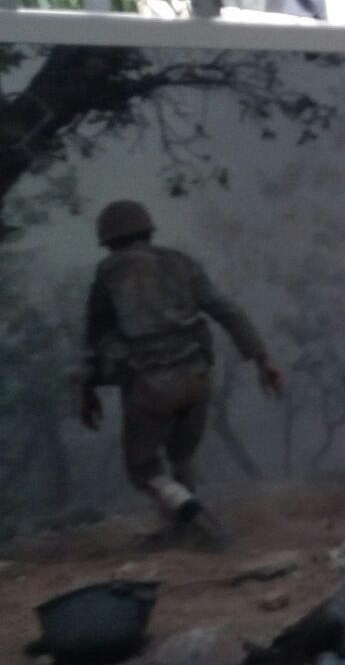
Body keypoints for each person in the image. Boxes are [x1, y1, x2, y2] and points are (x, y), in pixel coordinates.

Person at [77, 200, 286, 536]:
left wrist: (88, 390)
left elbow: (95, 334)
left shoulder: (109, 272)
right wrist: (263, 359)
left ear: (109, 240)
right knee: (182, 454)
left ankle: (192, 514)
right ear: (147, 230)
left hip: (149, 383)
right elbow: (227, 311)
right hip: (197, 377)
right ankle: (185, 531)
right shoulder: (181, 262)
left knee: (143, 469)